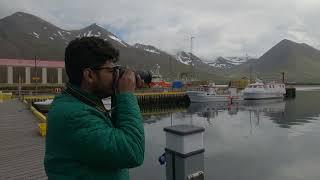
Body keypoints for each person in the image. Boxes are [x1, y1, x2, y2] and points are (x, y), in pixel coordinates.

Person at [44, 37, 145, 179]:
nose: (115, 76)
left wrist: (118, 93)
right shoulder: (73, 116)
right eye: (110, 71)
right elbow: (132, 151)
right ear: (89, 75)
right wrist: (127, 95)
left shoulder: (79, 101)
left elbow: (116, 135)